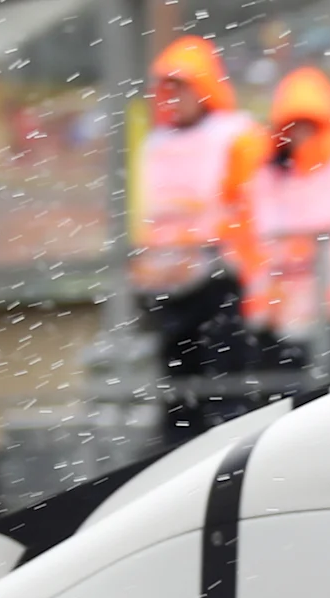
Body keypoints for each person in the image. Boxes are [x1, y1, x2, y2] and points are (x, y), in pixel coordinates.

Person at [219, 67, 330, 378]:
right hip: (279, 316)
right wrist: (262, 298)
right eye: (292, 126)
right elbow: (244, 241)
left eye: (308, 126)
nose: (300, 136)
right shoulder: (264, 180)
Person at [133, 36, 263, 431]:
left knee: (226, 388)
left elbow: (255, 205)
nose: (173, 98)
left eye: (181, 87)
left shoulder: (237, 135)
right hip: (169, 286)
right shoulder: (156, 143)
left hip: (222, 280)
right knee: (179, 395)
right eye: (167, 89)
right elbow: (146, 213)